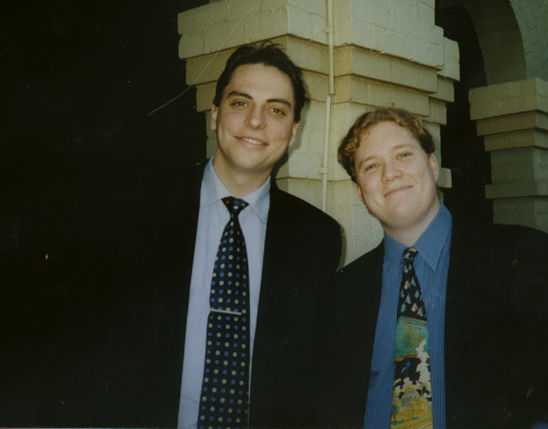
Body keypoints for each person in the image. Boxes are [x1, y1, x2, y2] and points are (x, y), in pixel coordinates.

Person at [2, 43, 341, 428]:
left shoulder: (318, 238)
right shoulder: (135, 212)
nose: (256, 121)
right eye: (240, 103)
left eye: (276, 109)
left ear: (293, 132)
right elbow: (75, 350)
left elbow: (312, 379)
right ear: (215, 115)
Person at [312, 107, 548, 429]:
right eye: (371, 166)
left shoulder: (527, 255)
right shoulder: (342, 292)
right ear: (359, 191)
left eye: (403, 155)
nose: (390, 173)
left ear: (432, 164)